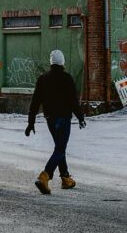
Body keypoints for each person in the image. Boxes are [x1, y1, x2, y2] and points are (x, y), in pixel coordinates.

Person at [25, 50, 86, 195]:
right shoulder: (67, 78)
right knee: (60, 149)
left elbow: (35, 102)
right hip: (63, 118)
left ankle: (65, 178)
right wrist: (80, 116)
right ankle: (45, 176)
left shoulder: (43, 79)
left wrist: (31, 122)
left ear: (51, 62)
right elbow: (73, 101)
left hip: (50, 119)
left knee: (59, 148)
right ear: (62, 62)